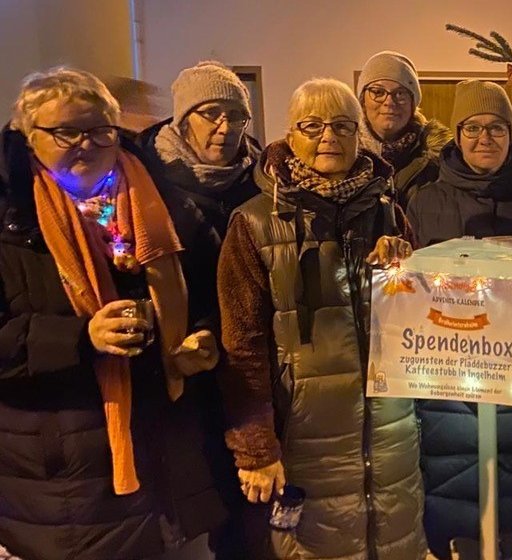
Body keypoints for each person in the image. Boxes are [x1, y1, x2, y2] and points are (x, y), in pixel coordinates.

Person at [0, 66, 224, 559]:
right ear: (28, 136)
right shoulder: (11, 219)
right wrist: (82, 337)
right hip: (64, 480)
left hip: (165, 457)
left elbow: (212, 295)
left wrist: (202, 336)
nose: (87, 144)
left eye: (101, 131)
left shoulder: (163, 202)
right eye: (66, 132)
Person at [216, 77, 425, 559]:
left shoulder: (388, 212)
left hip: (390, 432)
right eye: (312, 126)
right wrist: (256, 449)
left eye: (343, 126)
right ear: (291, 136)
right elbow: (242, 345)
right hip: (304, 435)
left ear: (358, 136)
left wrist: (403, 265)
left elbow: (415, 318)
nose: (328, 136)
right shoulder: (254, 222)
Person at [406, 79, 512, 560]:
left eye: (496, 128)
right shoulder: (424, 203)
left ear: (511, 135)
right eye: (472, 128)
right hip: (447, 391)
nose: (484, 138)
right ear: (457, 135)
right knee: (456, 510)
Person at [136, 60, 262, 559]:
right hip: (177, 363)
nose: (225, 128)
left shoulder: (261, 181)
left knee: (247, 509)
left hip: (248, 357)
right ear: (183, 116)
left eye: (237, 116)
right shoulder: (146, 181)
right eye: (211, 113)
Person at [357, 51, 452, 205]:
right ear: (363, 100)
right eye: (378, 92)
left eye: (400, 93)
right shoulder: (344, 156)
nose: (389, 102)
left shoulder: (441, 160)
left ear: (413, 103)